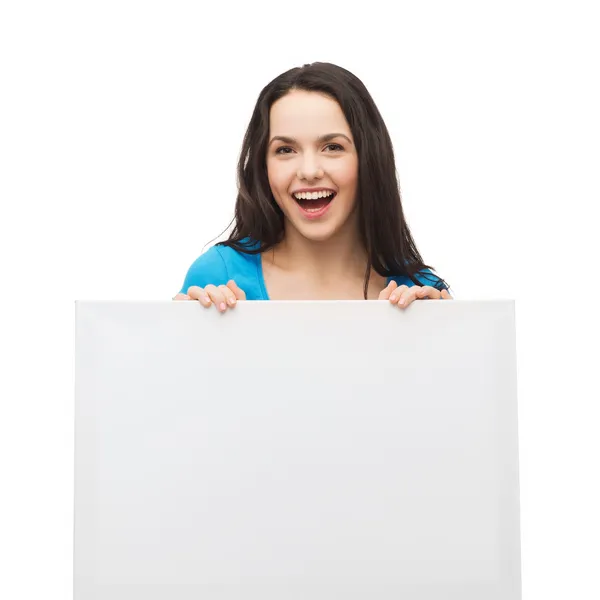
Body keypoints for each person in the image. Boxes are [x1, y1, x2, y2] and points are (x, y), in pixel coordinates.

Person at [173, 62, 452, 312]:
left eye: (332, 147)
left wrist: (438, 339)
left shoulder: (423, 295)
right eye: (285, 150)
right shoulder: (216, 276)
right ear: (263, 166)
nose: (308, 171)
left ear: (369, 159)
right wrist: (193, 338)